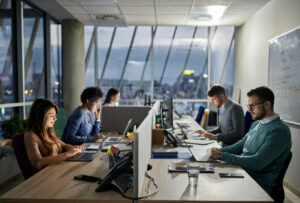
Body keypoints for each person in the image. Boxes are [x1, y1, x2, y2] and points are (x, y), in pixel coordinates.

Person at [208, 86, 292, 195]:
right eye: (249, 106)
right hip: (243, 172)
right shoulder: (257, 124)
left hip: (258, 185)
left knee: (215, 191)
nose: (249, 110)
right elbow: (239, 146)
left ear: (267, 105)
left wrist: (221, 156)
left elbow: (257, 162)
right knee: (211, 180)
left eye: (253, 106)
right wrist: (218, 151)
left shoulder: (279, 131)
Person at [24, 99, 83, 171]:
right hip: (47, 174)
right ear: (40, 116)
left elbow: (64, 145)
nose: (55, 119)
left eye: (55, 115)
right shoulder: (30, 136)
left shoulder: (48, 132)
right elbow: (37, 163)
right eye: (51, 115)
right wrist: (67, 154)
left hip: (58, 169)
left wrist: (73, 149)